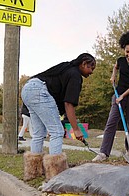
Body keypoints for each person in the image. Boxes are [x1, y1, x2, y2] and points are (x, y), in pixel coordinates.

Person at [21, 53, 96, 181]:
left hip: (28, 89)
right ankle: (56, 174)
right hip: (39, 91)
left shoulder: (66, 68)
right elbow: (68, 104)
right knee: (57, 131)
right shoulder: (75, 75)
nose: (91, 72)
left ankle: (33, 172)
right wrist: (76, 129)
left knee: (39, 133)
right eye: (91, 67)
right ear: (83, 64)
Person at [92, 32, 129, 162]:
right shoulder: (120, 61)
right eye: (127, 52)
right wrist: (113, 75)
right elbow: (115, 68)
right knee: (111, 123)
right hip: (118, 95)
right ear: (124, 50)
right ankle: (103, 153)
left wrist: (123, 96)